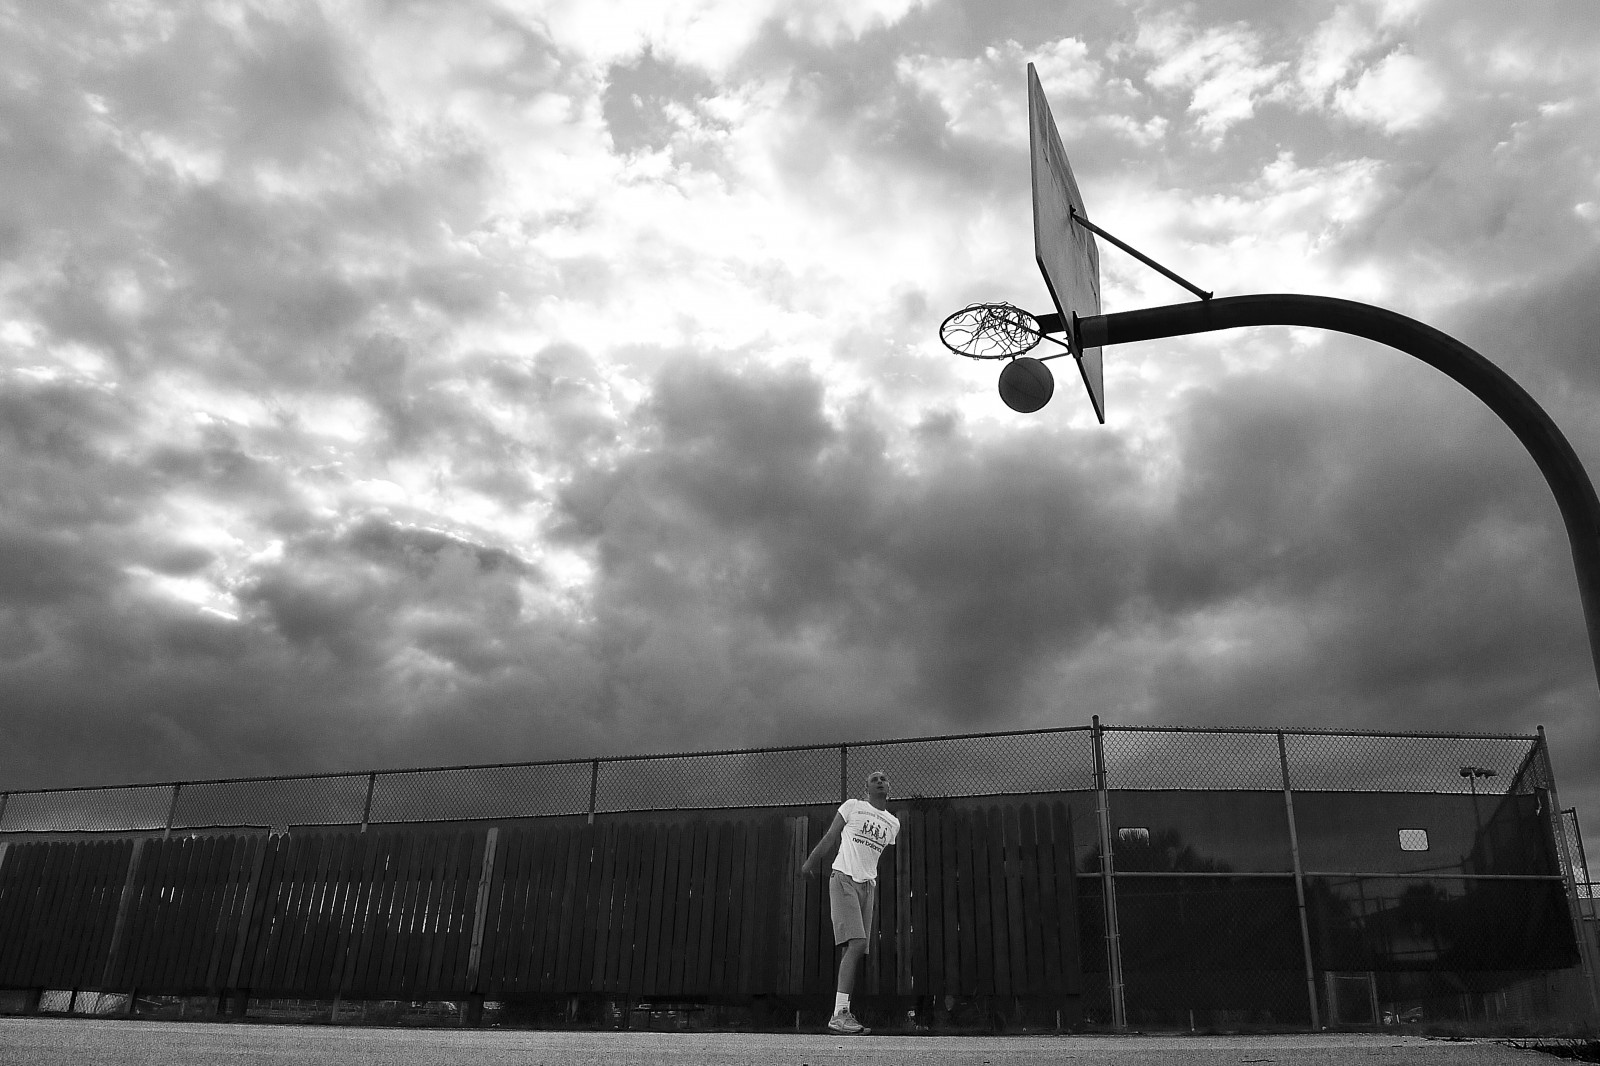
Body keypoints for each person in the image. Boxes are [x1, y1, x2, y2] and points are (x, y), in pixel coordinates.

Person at [800, 769, 899, 1035]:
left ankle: (843, 1012)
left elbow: (873, 855)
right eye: (874, 779)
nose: (880, 781)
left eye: (883, 779)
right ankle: (839, 1014)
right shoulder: (853, 806)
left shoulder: (893, 824)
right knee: (856, 943)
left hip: (868, 886)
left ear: (889, 788)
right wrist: (809, 863)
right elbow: (831, 837)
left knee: (854, 948)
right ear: (866, 789)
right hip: (844, 878)